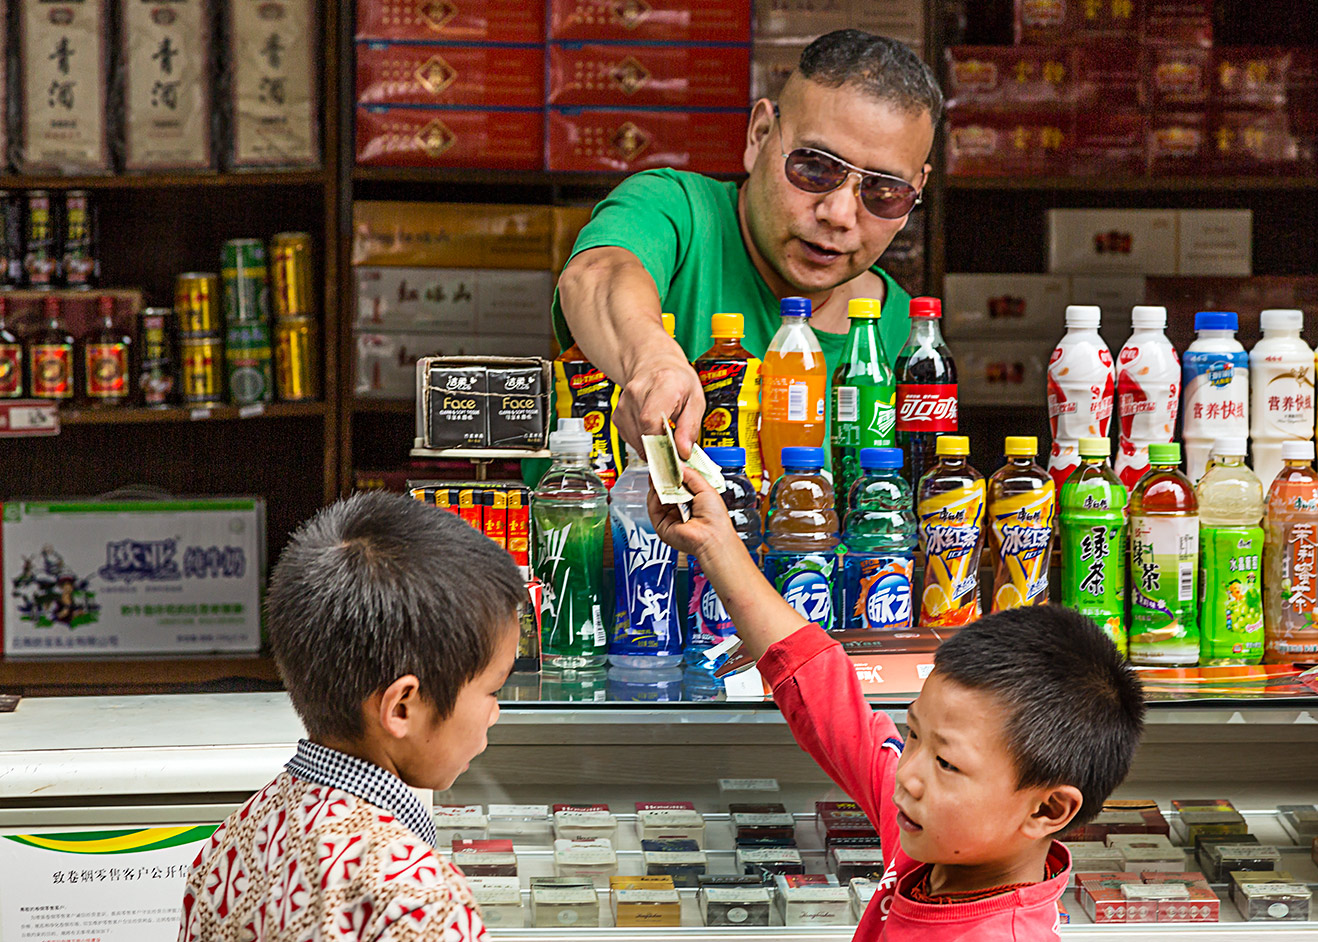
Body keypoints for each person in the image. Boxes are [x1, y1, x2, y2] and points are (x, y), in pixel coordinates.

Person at [649, 468, 1145, 940]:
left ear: (1048, 808)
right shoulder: (939, 843)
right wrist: (715, 544)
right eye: (912, 735)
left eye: (947, 762)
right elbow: (821, 688)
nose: (906, 775)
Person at [554, 30, 941, 458]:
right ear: (758, 135)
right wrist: (652, 362)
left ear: (917, 190)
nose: (839, 214)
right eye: (813, 167)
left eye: (884, 191)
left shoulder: (906, 335)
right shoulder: (679, 211)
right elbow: (598, 273)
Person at [179, 492, 523, 941]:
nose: (495, 713)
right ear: (402, 707)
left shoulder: (233, 839)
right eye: (492, 690)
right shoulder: (420, 902)